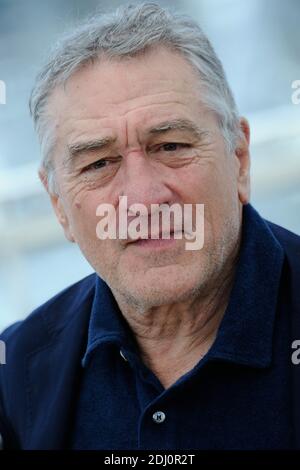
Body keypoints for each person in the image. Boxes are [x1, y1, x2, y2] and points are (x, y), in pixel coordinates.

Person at [0, 2, 299, 450]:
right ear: (59, 205)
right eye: (99, 163)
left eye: (171, 145)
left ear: (239, 159)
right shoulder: (17, 373)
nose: (142, 198)